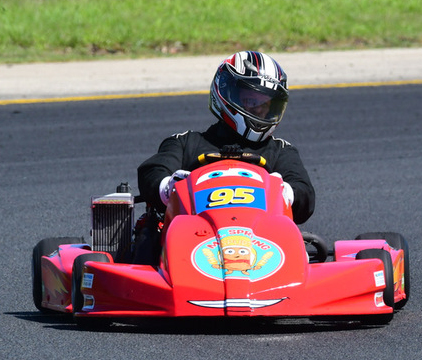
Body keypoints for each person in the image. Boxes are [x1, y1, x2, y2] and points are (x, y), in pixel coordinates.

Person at [133, 50, 316, 265]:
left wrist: (288, 192)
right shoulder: (186, 143)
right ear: (225, 93)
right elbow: (152, 172)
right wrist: (169, 187)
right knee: (146, 241)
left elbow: (304, 194)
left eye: (266, 104)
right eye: (251, 100)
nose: (259, 110)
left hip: (263, 242)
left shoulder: (279, 151)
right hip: (194, 238)